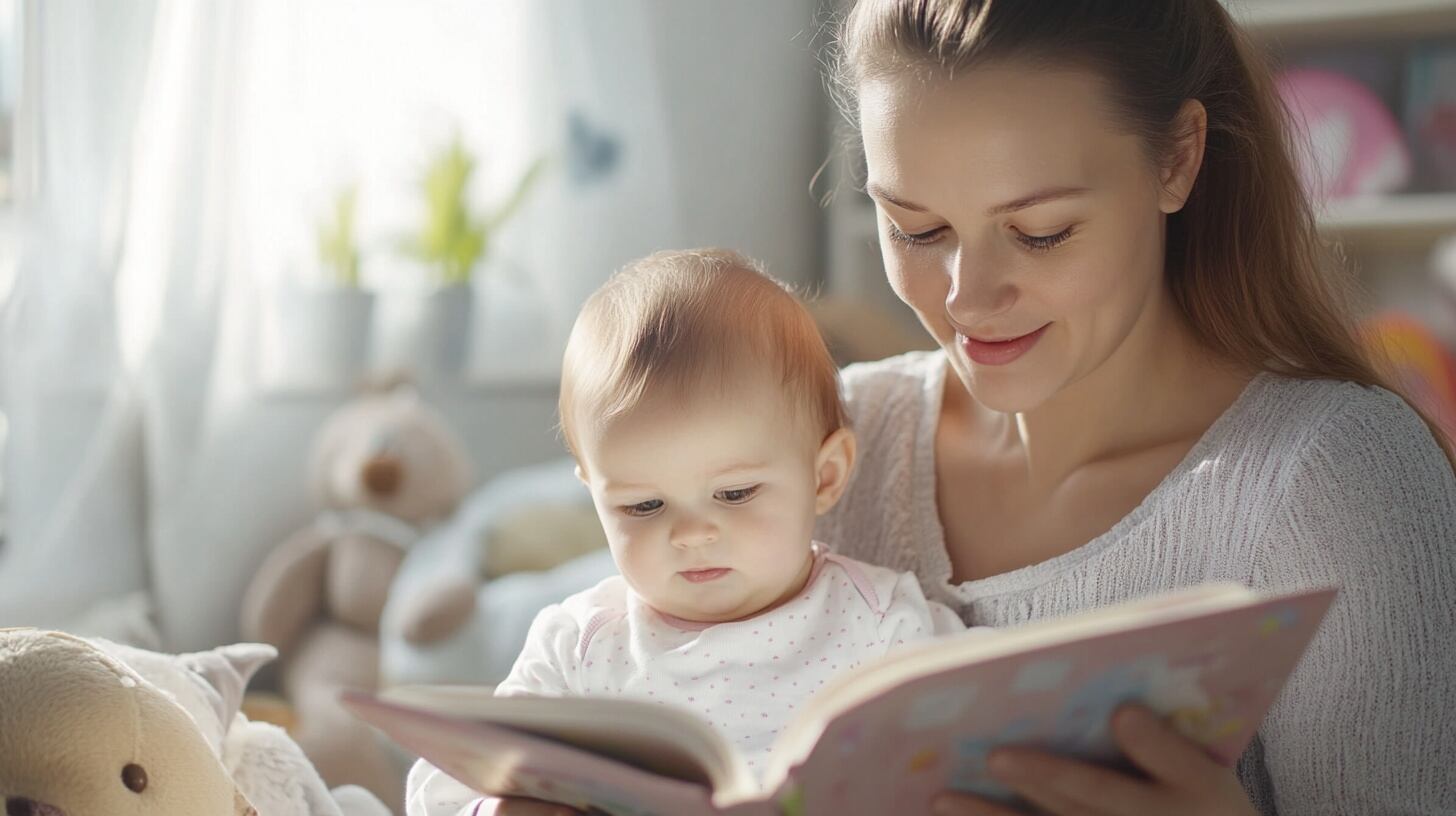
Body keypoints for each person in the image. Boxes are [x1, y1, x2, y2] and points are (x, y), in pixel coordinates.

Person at [816, 1, 1456, 814]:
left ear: (1177, 160)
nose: (967, 298)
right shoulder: (830, 450)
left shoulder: (1337, 484)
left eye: (1041, 231)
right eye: (916, 228)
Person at [405, 249, 966, 816]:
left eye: (735, 494)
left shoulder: (885, 622)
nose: (692, 534)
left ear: (824, 476)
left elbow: (999, 734)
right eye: (643, 505)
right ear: (595, 496)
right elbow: (445, 788)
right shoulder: (580, 646)